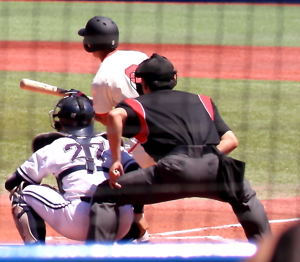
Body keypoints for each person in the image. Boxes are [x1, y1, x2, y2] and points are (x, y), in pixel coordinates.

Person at [87, 54, 271, 242]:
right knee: (245, 197)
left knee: (105, 194)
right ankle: (268, 252)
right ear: (174, 78)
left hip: (174, 170)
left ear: (143, 83)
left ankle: (96, 256)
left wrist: (117, 159)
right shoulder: (203, 101)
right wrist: (205, 160)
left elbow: (114, 116)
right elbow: (231, 140)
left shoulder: (137, 104)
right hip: (216, 168)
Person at [6, 93, 137, 244]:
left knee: (21, 193)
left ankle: (36, 253)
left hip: (77, 223)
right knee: (132, 185)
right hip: (121, 222)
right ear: (92, 119)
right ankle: (130, 244)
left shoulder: (55, 147)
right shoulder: (109, 144)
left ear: (60, 121)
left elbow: (12, 183)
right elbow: (136, 171)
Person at [78, 15, 153, 239]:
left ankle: (135, 225)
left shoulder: (101, 79)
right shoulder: (138, 56)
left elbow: (106, 119)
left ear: (89, 44)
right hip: (167, 121)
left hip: (149, 137)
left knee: (114, 166)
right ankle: (135, 218)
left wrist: (93, 108)